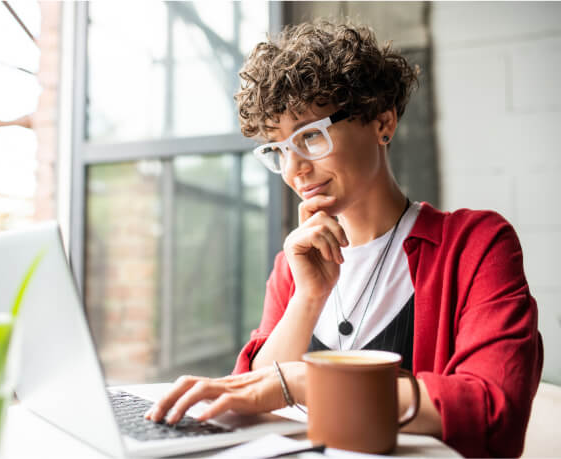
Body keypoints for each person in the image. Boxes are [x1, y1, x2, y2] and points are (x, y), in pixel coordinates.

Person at [144, 20, 543, 458]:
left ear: (382, 122)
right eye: (278, 149)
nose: (294, 169)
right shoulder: (294, 265)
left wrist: (306, 383)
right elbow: (254, 391)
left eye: (310, 135)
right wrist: (308, 299)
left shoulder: (475, 245)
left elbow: (492, 411)